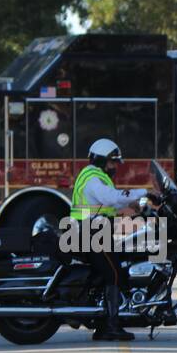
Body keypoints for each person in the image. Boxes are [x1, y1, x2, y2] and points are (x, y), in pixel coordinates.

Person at [70, 139, 152, 342]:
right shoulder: (93, 178)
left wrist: (132, 208)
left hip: (93, 230)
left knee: (114, 266)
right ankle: (111, 326)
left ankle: (103, 323)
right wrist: (145, 192)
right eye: (112, 162)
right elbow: (109, 198)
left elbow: (106, 205)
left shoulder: (95, 177)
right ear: (101, 160)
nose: (115, 167)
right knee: (115, 273)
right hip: (90, 233)